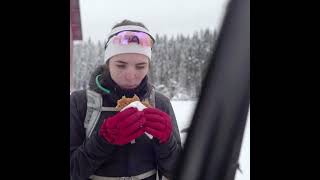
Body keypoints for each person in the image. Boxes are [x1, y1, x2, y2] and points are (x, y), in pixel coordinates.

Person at [70, 19, 182, 180]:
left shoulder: (160, 103)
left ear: (148, 66)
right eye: (121, 65)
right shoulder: (80, 103)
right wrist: (103, 141)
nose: (131, 76)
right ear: (108, 63)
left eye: (140, 66)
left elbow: (178, 171)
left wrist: (167, 142)